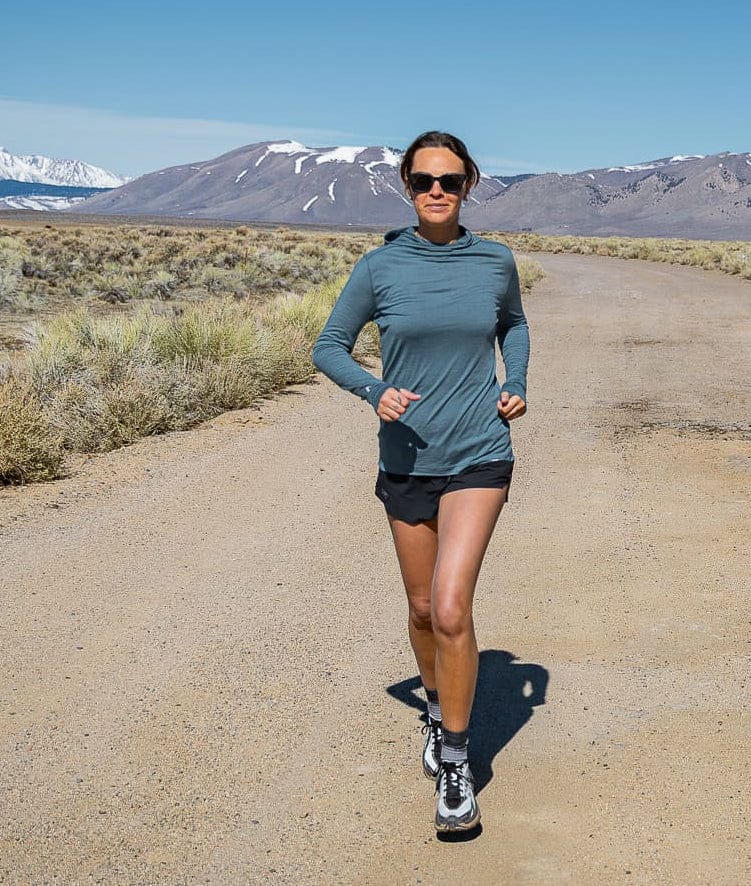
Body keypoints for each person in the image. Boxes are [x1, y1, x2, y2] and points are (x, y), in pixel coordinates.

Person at [312, 131, 529, 833]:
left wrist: (515, 381)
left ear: (470, 186)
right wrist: (373, 392)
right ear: (406, 186)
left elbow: (514, 326)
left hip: (478, 453)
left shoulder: (495, 262)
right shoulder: (379, 268)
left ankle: (458, 762)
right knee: (419, 609)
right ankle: (435, 709)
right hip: (406, 457)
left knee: (451, 607)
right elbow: (328, 346)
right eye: (425, 180)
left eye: (452, 180)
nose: (438, 191)